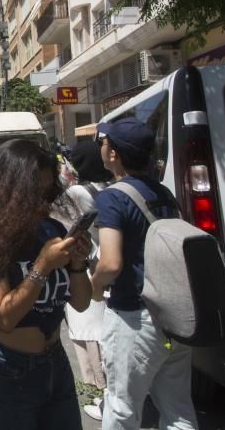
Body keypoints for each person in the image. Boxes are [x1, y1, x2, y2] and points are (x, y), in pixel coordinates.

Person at [0, 139, 92, 429]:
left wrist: (77, 263)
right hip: (8, 369)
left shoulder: (52, 229)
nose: (44, 202)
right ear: (11, 191)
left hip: (55, 364)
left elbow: (82, 301)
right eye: (36, 192)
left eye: (49, 190)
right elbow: (4, 316)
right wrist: (42, 266)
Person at [90, 119, 198, 430]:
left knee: (122, 407)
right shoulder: (164, 194)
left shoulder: (113, 197)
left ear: (115, 155)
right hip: (173, 318)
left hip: (135, 319)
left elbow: (111, 263)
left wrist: (95, 288)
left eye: (104, 143)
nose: (102, 148)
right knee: (178, 409)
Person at [60, 140, 113, 420]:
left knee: (91, 334)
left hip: (89, 265)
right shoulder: (114, 187)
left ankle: (105, 400)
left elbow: (63, 221)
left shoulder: (79, 191)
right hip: (111, 266)